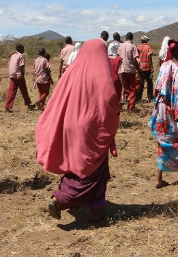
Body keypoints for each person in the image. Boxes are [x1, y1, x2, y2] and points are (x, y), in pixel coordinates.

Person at [36, 39, 120, 222]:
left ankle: (65, 197)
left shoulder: (72, 70)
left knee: (75, 162)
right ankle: (65, 200)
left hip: (69, 125)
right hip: (91, 128)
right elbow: (108, 102)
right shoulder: (102, 74)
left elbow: (57, 97)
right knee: (93, 168)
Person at [149, 39, 178, 189]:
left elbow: (157, 87)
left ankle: (159, 178)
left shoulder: (164, 65)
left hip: (163, 108)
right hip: (175, 109)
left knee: (163, 139)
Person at [5, 44, 35, 113]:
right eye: (23, 48)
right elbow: (21, 66)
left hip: (12, 76)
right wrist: (23, 77)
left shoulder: (12, 55)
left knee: (11, 91)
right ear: (20, 49)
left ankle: (7, 107)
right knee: (24, 91)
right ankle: (29, 104)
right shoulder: (20, 56)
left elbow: (9, 64)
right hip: (19, 76)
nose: (23, 50)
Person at [117, 32, 140, 112]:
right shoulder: (133, 46)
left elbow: (117, 56)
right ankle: (130, 109)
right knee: (132, 89)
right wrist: (138, 69)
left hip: (122, 70)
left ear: (126, 38)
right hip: (130, 70)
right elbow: (136, 60)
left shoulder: (120, 46)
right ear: (132, 38)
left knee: (124, 88)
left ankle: (119, 105)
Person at [136, 36, 154, 102]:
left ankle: (138, 97)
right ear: (147, 41)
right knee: (149, 81)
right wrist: (151, 66)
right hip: (147, 66)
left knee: (141, 82)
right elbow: (149, 57)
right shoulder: (149, 47)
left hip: (140, 66)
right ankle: (150, 97)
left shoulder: (137, 47)